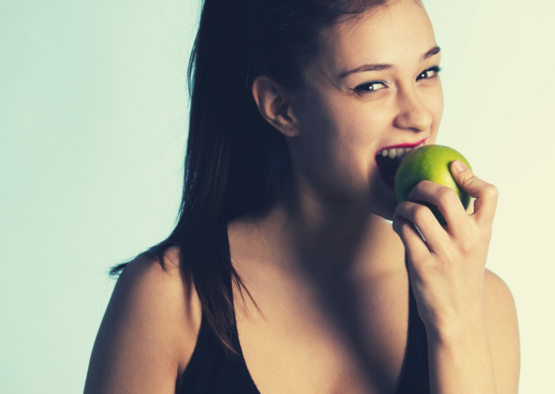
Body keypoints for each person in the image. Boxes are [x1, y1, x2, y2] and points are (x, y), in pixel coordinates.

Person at [83, 0, 520, 392]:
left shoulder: (483, 305)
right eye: (371, 85)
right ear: (281, 107)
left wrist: (455, 322)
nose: (419, 115)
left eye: (427, 73)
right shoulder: (168, 298)